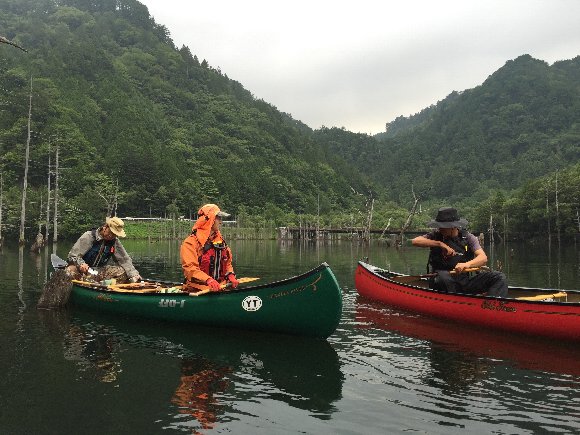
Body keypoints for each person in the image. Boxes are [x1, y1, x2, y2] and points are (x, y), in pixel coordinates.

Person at [411, 207, 507, 297]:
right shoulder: (435, 235)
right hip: (441, 281)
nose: (440, 228)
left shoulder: (468, 237)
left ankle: (492, 304)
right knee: (442, 278)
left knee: (499, 277)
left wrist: (467, 264)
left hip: (463, 281)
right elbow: (415, 241)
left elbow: (483, 258)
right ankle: (455, 301)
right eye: (439, 226)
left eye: (443, 227)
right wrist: (440, 244)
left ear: (453, 226)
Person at [180, 204, 239, 292]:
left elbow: (227, 263)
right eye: (218, 218)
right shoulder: (190, 243)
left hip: (220, 287)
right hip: (198, 289)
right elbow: (190, 269)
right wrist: (208, 280)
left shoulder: (220, 242)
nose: (221, 222)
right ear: (210, 219)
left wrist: (230, 275)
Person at [66, 216, 142, 283]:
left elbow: (124, 260)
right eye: (110, 232)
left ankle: (104, 285)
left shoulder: (114, 241)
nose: (111, 236)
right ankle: (86, 282)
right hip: (83, 271)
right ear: (105, 227)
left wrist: (134, 274)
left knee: (123, 271)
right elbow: (72, 256)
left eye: (114, 234)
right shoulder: (89, 236)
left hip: (99, 272)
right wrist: (81, 264)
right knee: (70, 270)